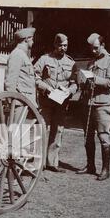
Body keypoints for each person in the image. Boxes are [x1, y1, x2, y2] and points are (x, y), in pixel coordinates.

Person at [76, 33, 110, 181]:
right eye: (91, 48)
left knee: (103, 137)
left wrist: (95, 78)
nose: (93, 51)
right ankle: (90, 166)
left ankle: (105, 170)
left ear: (103, 45)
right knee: (88, 136)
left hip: (102, 104)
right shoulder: (91, 61)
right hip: (88, 103)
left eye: (96, 48)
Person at [34, 33, 78, 172]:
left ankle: (52, 163)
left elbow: (75, 83)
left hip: (61, 102)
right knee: (42, 128)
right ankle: (39, 163)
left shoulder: (71, 63)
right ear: (55, 45)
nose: (63, 48)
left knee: (58, 130)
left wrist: (70, 91)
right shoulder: (44, 59)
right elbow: (35, 77)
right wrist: (46, 88)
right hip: (46, 101)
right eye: (60, 45)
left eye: (65, 45)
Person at [4, 27, 37, 107]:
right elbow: (11, 79)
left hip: (27, 100)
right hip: (20, 102)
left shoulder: (22, 55)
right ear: (26, 39)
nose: (33, 41)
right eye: (32, 39)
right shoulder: (17, 54)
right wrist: (11, 100)